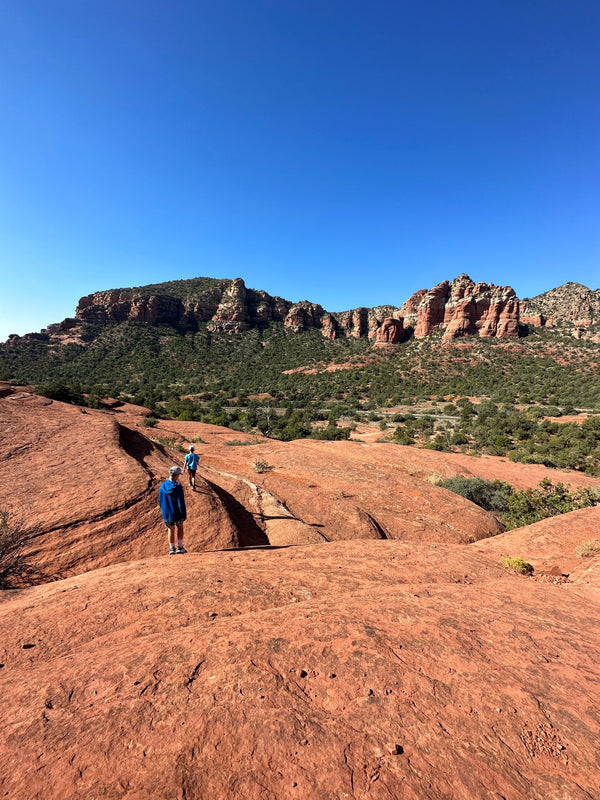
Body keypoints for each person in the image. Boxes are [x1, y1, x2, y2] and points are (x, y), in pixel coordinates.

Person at [159, 465, 187, 554]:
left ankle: (172, 549)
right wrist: (183, 513)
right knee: (180, 527)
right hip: (177, 512)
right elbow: (180, 502)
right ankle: (180, 547)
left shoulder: (163, 486)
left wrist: (164, 510)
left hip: (167, 512)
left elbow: (160, 500)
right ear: (176, 475)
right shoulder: (178, 487)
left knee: (170, 529)